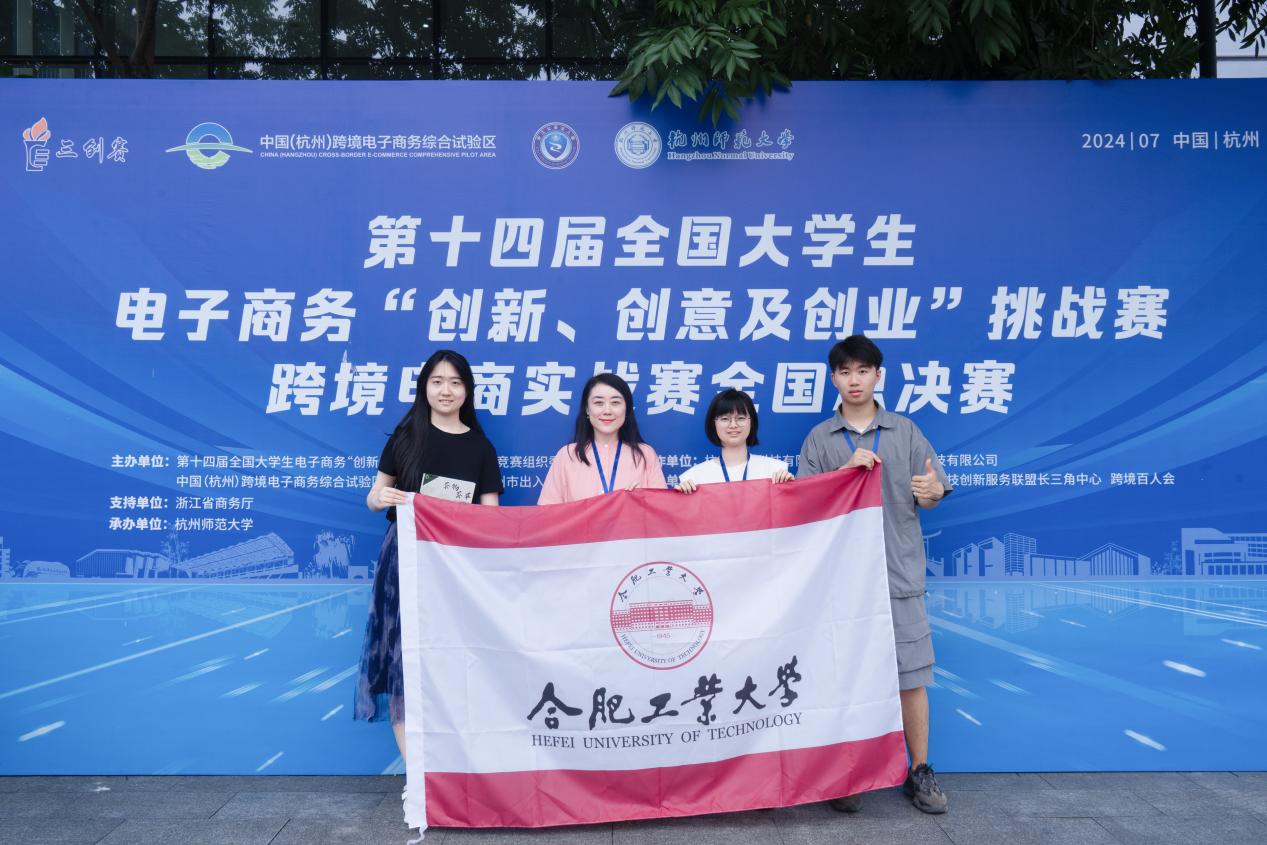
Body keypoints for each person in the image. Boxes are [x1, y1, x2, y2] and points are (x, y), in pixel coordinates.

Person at [796, 335, 952, 815]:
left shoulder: (905, 431)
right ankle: (850, 772)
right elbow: (802, 507)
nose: (854, 380)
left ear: (877, 376)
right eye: (845, 372)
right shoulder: (820, 439)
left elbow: (932, 491)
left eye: (863, 371)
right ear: (833, 378)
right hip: (840, 584)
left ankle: (918, 770)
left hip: (897, 574)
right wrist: (842, 473)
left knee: (910, 678)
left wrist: (931, 493)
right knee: (845, 677)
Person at [354, 349, 503, 770]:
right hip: (404, 560)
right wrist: (380, 497)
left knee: (451, 661)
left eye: (455, 382)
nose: (446, 390)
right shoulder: (405, 438)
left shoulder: (480, 447)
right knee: (403, 663)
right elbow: (373, 497)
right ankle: (417, 779)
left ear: (467, 390)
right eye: (437, 381)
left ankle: (454, 769)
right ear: (424, 388)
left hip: (455, 567)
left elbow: (491, 518)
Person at [538, 372, 666, 503]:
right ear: (587, 409)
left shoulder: (646, 455)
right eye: (599, 403)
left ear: (627, 409)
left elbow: (662, 508)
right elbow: (547, 510)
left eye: (615, 402)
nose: (607, 411)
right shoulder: (567, 456)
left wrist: (641, 499)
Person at [676, 388, 793, 492]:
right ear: (713, 424)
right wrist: (683, 498)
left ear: (751, 422)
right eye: (725, 418)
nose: (733, 425)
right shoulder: (694, 478)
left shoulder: (775, 471)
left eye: (740, 418)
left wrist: (789, 488)